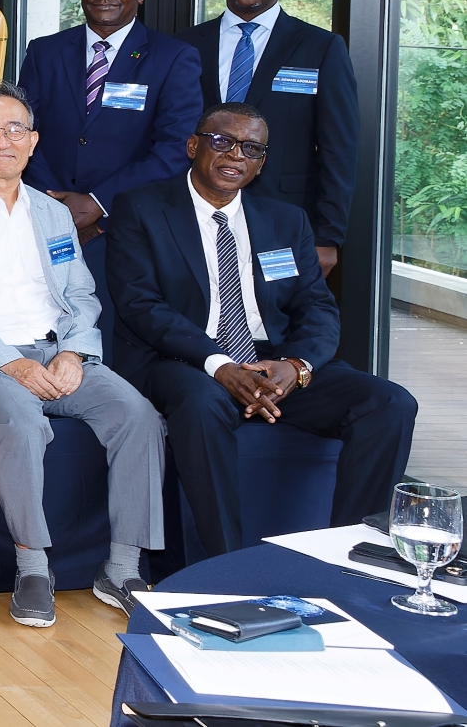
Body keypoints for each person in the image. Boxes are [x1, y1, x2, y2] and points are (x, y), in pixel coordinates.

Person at [104, 104, 416, 555]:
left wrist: (297, 366)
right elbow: (141, 305)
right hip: (183, 358)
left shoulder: (287, 221)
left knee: (389, 403)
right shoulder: (141, 208)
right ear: (194, 146)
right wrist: (221, 365)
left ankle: (353, 553)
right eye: (222, 141)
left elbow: (318, 308)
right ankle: (222, 564)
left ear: (261, 163)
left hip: (272, 359)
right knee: (201, 403)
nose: (235, 155)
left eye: (251, 148)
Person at [0, 84, 164, 629]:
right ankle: (31, 567)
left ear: (33, 142)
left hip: (56, 351)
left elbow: (81, 297)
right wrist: (10, 362)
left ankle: (122, 567)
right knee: (21, 417)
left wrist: (72, 352)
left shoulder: (52, 214)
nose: (2, 140)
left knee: (137, 414)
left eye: (14, 129)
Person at [15, 0, 202, 306]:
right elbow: (24, 131)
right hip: (46, 216)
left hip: (128, 222)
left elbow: (176, 145)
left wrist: (99, 203)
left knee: (116, 330)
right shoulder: (44, 51)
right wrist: (54, 203)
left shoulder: (173, 57)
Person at [186, 0, 360, 276]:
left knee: (278, 316)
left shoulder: (321, 47)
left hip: (284, 213)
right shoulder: (185, 45)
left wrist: (328, 235)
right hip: (194, 210)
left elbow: (339, 148)